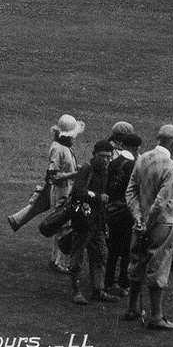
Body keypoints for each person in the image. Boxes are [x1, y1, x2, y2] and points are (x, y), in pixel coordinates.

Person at [123, 123, 173, 330]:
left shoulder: (141, 159)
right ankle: (156, 316)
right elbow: (162, 200)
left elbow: (130, 192)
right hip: (162, 223)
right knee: (158, 266)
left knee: (137, 261)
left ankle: (132, 308)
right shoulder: (171, 166)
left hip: (140, 222)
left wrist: (138, 219)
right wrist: (148, 223)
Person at [64, 140, 118, 305]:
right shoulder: (87, 169)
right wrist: (96, 196)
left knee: (101, 255)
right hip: (83, 221)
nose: (106, 160)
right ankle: (76, 291)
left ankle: (98, 289)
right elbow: (77, 191)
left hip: (97, 222)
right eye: (103, 156)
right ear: (94, 155)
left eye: (109, 157)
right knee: (77, 258)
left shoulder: (105, 171)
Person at [104, 123, 143, 297]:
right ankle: (123, 281)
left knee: (112, 248)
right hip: (126, 212)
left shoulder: (113, 163)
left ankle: (108, 281)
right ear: (135, 148)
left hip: (111, 210)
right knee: (127, 249)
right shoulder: (133, 165)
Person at [46, 115, 84, 274]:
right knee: (61, 226)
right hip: (61, 191)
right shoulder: (59, 149)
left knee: (61, 225)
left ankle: (56, 259)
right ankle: (58, 261)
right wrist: (74, 174)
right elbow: (52, 176)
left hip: (66, 190)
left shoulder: (62, 147)